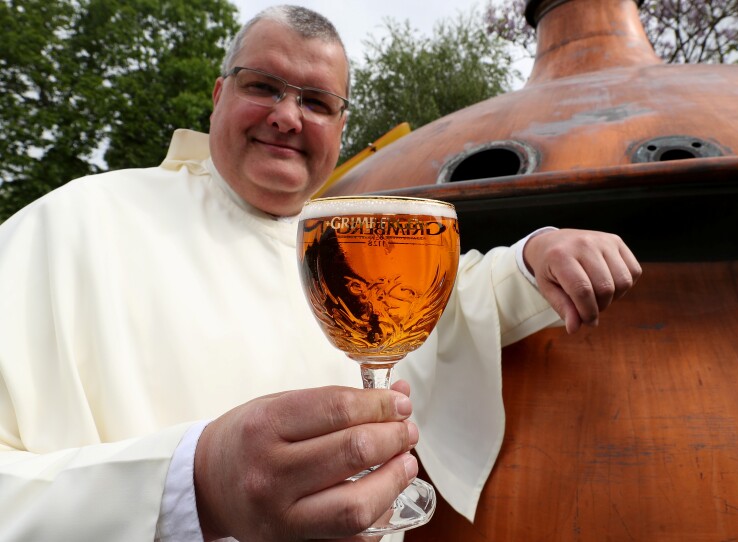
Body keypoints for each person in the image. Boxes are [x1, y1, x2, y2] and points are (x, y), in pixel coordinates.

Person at [0, 5, 641, 541]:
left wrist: (538, 252)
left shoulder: (347, 244)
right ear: (220, 94)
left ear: (339, 128)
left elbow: (456, 299)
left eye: (316, 101)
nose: (287, 115)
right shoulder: (70, 224)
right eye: (263, 86)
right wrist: (190, 485)